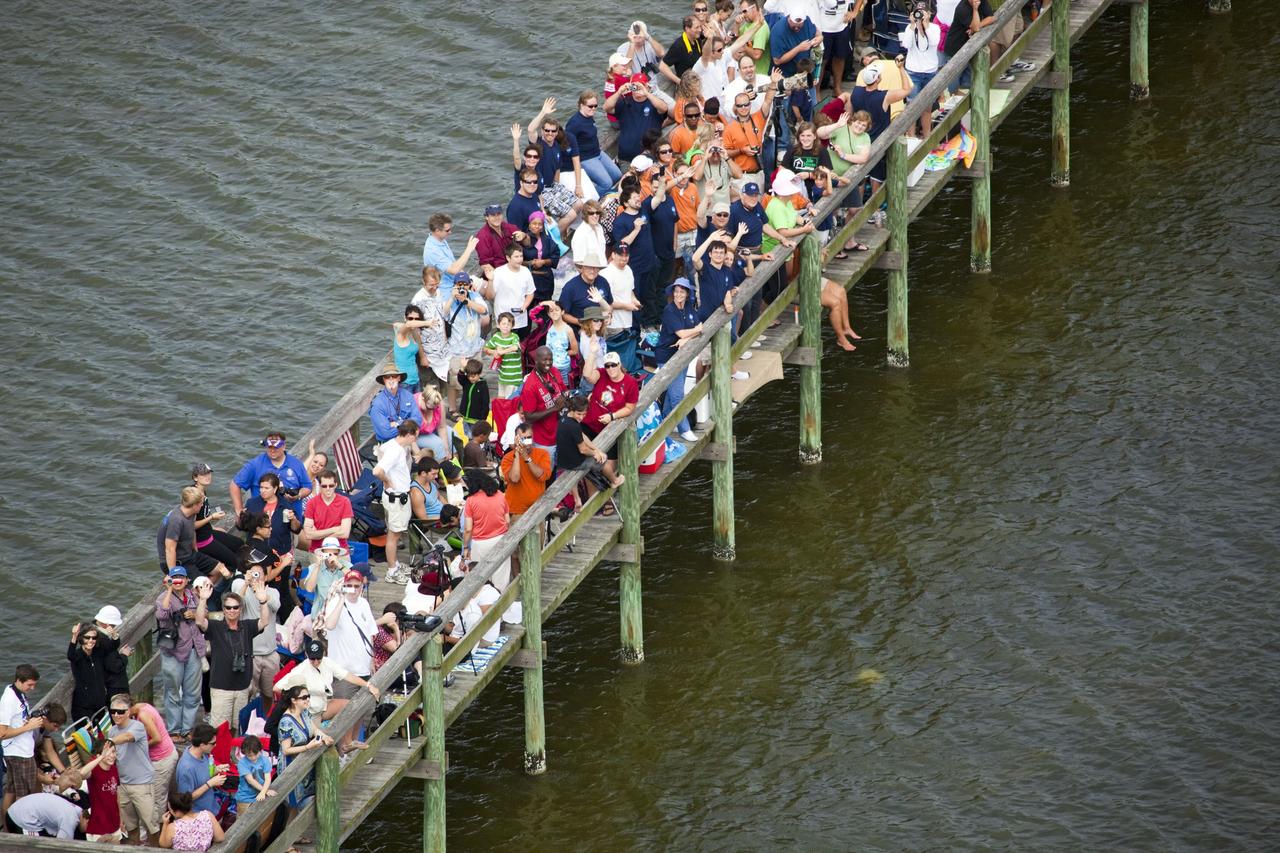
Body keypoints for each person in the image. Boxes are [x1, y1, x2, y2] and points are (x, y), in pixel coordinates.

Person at [275, 637, 379, 753]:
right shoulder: (302, 669)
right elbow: (277, 688)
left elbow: (347, 675)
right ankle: (340, 749)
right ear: (306, 655)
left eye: (318, 659)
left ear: (323, 654)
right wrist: (299, 698)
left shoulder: (327, 662)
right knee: (323, 744)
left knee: (351, 705)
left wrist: (368, 685)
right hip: (310, 713)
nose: (315, 662)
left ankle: (349, 743)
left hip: (324, 706)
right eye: (312, 659)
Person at [196, 579, 270, 735]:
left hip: (242, 687)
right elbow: (199, 621)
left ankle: (234, 755)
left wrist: (263, 601)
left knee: (238, 726)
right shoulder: (215, 627)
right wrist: (203, 600)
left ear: (240, 609)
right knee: (220, 728)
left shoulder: (247, 626)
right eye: (228, 607)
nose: (232, 610)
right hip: (221, 688)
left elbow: (264, 622)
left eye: (235, 607)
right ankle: (218, 758)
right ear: (223, 609)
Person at [849, 63, 912, 203]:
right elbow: (907, 90)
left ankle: (857, 210)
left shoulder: (856, 92)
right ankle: (875, 211)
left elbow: (849, 112)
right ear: (878, 79)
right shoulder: (884, 96)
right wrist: (901, 69)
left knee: (860, 178)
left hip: (859, 140)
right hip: (878, 142)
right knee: (876, 179)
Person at [154, 568, 205, 739]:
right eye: (174, 578)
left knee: (193, 693)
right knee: (173, 691)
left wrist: (194, 613)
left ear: (187, 580)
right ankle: (174, 729)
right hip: (172, 651)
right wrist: (168, 589)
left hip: (194, 649)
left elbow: (203, 615)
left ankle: (187, 729)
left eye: (180, 578)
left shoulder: (192, 595)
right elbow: (161, 615)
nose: (178, 581)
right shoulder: (163, 598)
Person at [556, 395, 626, 513]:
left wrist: (596, 449)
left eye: (584, 414)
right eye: (579, 414)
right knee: (603, 461)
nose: (581, 417)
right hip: (575, 462)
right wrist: (596, 454)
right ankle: (614, 481)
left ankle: (577, 500)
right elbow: (583, 449)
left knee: (573, 471)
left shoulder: (564, 418)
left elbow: (582, 436)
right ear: (572, 410)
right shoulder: (574, 426)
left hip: (563, 461)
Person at [268, 685, 333, 812]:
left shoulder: (304, 712)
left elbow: (313, 729)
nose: (307, 700)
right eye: (304, 697)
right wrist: (308, 746)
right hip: (292, 767)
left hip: (304, 762)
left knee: (306, 801)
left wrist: (324, 736)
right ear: (294, 700)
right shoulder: (286, 722)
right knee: (295, 805)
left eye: (308, 697)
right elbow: (286, 750)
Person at [656, 279, 704, 443]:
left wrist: (687, 338)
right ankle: (684, 429)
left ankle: (661, 425)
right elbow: (685, 332)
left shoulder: (689, 308)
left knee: (671, 395)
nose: (678, 294)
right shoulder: (669, 310)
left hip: (682, 356)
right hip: (668, 357)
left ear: (687, 293)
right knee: (677, 395)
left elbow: (698, 327)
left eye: (682, 291)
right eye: (676, 291)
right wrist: (692, 333)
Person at [105, 694, 156, 845]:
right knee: (131, 826)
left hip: (142, 783)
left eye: (120, 711)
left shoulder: (137, 727)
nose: (116, 715)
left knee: (151, 825)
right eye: (113, 711)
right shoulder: (112, 731)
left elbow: (127, 737)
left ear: (128, 712)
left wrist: (109, 742)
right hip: (123, 785)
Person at [373, 420, 419, 581]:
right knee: (393, 535)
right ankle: (392, 570)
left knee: (396, 532)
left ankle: (396, 564)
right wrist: (387, 480)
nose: (415, 440)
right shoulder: (396, 451)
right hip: (396, 498)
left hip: (398, 496)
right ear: (408, 435)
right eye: (415, 436)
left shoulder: (391, 445)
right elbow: (377, 471)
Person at [229, 564, 281, 703]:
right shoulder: (244, 590)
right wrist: (246, 584)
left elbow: (276, 605)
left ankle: (266, 722)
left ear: (265, 576)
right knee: (245, 694)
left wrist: (263, 596)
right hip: (249, 653)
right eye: (253, 574)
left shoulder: (273, 592)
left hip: (270, 653)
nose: (256, 577)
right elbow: (234, 606)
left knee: (270, 694)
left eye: (259, 574)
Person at [230, 431, 312, 517]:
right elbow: (235, 484)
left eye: (276, 447)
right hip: (261, 520)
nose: (272, 450)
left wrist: (298, 495)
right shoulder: (255, 464)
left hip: (291, 518)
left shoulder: (296, 464)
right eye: (269, 447)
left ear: (284, 446)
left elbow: (307, 486)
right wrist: (239, 510)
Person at [157, 486, 230, 583]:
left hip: (189, 555)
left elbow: (192, 531)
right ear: (194, 505)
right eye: (201, 504)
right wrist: (174, 574)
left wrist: (196, 552)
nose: (202, 506)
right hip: (177, 562)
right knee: (204, 584)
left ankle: (201, 591)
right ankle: (201, 591)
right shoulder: (176, 520)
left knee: (219, 570)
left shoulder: (191, 514)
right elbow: (170, 549)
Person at [724, 69, 782, 188]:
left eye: (746, 104)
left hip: (758, 173)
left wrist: (773, 83)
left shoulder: (757, 118)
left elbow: (767, 101)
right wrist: (741, 150)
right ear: (736, 107)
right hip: (740, 177)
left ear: (750, 104)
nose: (744, 108)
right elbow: (725, 153)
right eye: (740, 106)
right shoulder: (729, 128)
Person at [442, 271, 490, 415]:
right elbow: (443, 312)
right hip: (457, 349)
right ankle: (452, 408)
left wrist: (466, 300)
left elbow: (483, 310)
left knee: (474, 378)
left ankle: (470, 405)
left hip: (473, 348)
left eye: (465, 284)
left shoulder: (474, 296)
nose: (462, 287)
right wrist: (453, 296)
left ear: (469, 285)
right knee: (455, 381)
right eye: (459, 284)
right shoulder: (449, 298)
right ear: (454, 285)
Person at [1, 664, 44, 816]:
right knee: (24, 793)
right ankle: (21, 827)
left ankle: (6, 825)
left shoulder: (17, 692)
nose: (32, 688)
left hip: (20, 750)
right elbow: (2, 733)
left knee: (12, 789)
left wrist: (28, 722)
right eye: (30, 685)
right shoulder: (9, 700)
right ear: (19, 680)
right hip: (19, 753)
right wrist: (28, 727)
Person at [527, 101, 590, 203]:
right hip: (540, 190)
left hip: (553, 186)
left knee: (579, 204)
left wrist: (558, 188)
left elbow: (557, 169)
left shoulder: (557, 146)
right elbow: (530, 130)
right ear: (542, 131)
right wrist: (543, 112)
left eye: (553, 131)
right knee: (570, 214)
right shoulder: (537, 144)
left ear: (557, 132)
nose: (550, 133)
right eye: (547, 130)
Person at [129, 697, 177, 826]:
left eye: (122, 711)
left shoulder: (143, 715)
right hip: (160, 757)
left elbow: (157, 738)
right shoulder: (142, 705)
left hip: (162, 758)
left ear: (130, 707)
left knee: (157, 798)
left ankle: (158, 828)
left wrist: (139, 746)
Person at [565, 90, 624, 197]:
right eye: (590, 106)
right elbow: (567, 145)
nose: (593, 109)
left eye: (595, 106)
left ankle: (608, 195)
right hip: (586, 158)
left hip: (598, 153)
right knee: (606, 183)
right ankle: (590, 199)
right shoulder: (574, 123)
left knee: (617, 176)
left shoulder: (589, 116)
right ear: (581, 105)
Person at [462, 470, 513, 590]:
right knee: (501, 577)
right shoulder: (500, 494)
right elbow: (507, 521)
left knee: (481, 579)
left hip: (480, 543)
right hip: (501, 539)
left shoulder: (471, 500)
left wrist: (465, 548)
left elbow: (468, 529)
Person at [519, 346, 569, 464]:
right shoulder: (530, 386)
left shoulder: (554, 372)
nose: (548, 363)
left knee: (561, 468)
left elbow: (564, 390)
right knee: (547, 474)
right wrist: (554, 408)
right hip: (544, 440)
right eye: (544, 360)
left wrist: (566, 396)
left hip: (560, 431)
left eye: (550, 359)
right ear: (536, 361)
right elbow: (528, 417)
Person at [605, 75, 669, 162]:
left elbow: (664, 108)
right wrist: (619, 92)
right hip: (626, 156)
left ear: (647, 86)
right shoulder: (624, 102)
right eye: (634, 86)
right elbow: (606, 107)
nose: (638, 89)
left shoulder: (654, 102)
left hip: (650, 156)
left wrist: (646, 93)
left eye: (641, 85)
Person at [190, 462, 241, 572]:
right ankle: (227, 581)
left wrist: (211, 527)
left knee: (239, 544)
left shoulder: (202, 490)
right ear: (195, 477)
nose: (207, 476)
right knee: (234, 562)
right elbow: (191, 525)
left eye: (209, 473)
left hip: (208, 533)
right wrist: (211, 517)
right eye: (203, 474)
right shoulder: (194, 496)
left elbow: (200, 517)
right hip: (202, 541)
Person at [582, 351, 640, 446]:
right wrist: (592, 352)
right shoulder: (602, 373)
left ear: (619, 364)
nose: (610, 369)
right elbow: (587, 375)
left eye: (613, 365)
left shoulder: (630, 383)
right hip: (589, 423)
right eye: (607, 366)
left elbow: (630, 408)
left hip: (609, 430)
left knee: (608, 460)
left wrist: (612, 416)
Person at [410, 265, 454, 390]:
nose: (434, 288)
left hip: (442, 350)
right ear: (423, 282)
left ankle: (443, 409)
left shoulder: (438, 293)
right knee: (431, 390)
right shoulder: (417, 301)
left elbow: (442, 315)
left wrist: (445, 338)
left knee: (445, 385)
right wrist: (422, 356)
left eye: (437, 284)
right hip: (427, 353)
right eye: (431, 285)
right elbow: (414, 330)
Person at [500, 422, 552, 521]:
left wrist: (526, 457)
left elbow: (542, 476)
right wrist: (517, 452)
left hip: (537, 509)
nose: (527, 441)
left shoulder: (543, 454)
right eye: (523, 438)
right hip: (516, 510)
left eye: (529, 437)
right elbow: (515, 478)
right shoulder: (508, 457)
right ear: (517, 439)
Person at [245, 471, 300, 564]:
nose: (263, 490)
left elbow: (296, 529)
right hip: (256, 549)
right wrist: (241, 517)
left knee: (280, 577)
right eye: (261, 487)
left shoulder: (286, 505)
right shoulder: (252, 503)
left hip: (280, 551)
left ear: (275, 489)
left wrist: (293, 519)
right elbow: (242, 526)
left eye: (266, 488)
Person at [174, 724, 223, 817]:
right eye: (213, 743)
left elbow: (202, 775)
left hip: (210, 808)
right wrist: (210, 784)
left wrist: (216, 770)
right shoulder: (186, 768)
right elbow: (185, 798)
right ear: (202, 745)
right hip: (198, 816)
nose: (216, 745)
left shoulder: (202, 754)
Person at [944, 0, 996, 88]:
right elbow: (975, 28)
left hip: (968, 48)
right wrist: (975, 10)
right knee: (954, 77)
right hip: (955, 47)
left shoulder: (981, 1)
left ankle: (967, 95)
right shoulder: (962, 8)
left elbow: (991, 18)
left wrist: (979, 25)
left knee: (968, 79)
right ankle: (953, 96)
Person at [487, 243, 536, 337]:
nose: (520, 259)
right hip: (503, 319)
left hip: (520, 317)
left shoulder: (525, 271)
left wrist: (524, 306)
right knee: (503, 346)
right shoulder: (499, 272)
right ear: (508, 258)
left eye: (521, 256)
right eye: (516, 257)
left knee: (520, 346)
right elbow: (490, 296)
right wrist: (490, 280)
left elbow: (530, 293)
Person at [369, 361, 425, 443]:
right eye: (387, 377)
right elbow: (385, 433)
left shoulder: (408, 395)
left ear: (399, 378)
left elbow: (418, 420)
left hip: (410, 439)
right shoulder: (377, 404)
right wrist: (408, 423)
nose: (391, 379)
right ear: (384, 380)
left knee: (437, 445)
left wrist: (397, 423)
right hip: (389, 443)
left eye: (394, 376)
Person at [302, 468, 353, 557]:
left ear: (336, 485)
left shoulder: (345, 501)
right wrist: (335, 529)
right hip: (317, 552)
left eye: (331, 485)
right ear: (320, 486)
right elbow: (308, 534)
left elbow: (345, 533)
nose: (328, 489)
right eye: (324, 486)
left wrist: (317, 534)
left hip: (340, 551)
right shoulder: (312, 503)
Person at [421, 212, 479, 290]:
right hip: (445, 288)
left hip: (455, 281)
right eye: (447, 230)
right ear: (437, 231)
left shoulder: (441, 240)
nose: (450, 232)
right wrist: (469, 249)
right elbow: (454, 270)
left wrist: (468, 281)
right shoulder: (432, 251)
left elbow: (455, 265)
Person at [66, 622, 108, 723]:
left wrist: (112, 634)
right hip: (83, 706)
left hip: (100, 703)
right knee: (85, 736)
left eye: (93, 638)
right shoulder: (78, 656)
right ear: (81, 638)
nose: (90, 640)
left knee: (100, 734)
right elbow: (70, 655)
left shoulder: (97, 653)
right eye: (87, 637)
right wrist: (74, 636)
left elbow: (112, 645)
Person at [557, 252, 614, 327]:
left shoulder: (603, 282)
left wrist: (609, 315)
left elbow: (610, 303)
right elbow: (562, 314)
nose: (592, 271)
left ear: (599, 269)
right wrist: (581, 323)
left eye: (595, 268)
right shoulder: (570, 287)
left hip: (600, 331)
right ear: (582, 268)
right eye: (589, 267)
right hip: (578, 332)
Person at [5, 788, 85, 839]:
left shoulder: (77, 809)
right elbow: (61, 846)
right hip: (21, 819)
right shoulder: (71, 819)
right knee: (42, 847)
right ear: (87, 819)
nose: (88, 832)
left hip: (17, 811)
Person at [817, 0, 858, 98]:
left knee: (840, 57)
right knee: (821, 60)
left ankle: (837, 88)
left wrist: (855, 11)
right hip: (822, 27)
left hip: (841, 26)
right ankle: (816, 91)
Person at [158, 789, 224, 851]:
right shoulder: (208, 815)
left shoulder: (173, 827)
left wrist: (165, 823)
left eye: (171, 810)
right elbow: (220, 838)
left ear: (177, 812)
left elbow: (164, 845)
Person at [84, 741, 122, 843]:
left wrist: (121, 820)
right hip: (98, 826)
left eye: (113, 752)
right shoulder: (94, 771)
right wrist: (101, 757)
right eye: (107, 753)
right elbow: (81, 773)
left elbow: (117, 797)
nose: (112, 756)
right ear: (98, 755)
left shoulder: (114, 769)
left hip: (115, 823)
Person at [521, 213, 560, 304]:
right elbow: (517, 260)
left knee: (546, 304)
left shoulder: (547, 240)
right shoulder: (523, 240)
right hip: (530, 277)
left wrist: (544, 262)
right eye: (534, 223)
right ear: (529, 224)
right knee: (531, 305)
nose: (537, 226)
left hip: (546, 278)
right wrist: (530, 263)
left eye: (540, 224)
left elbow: (555, 256)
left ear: (542, 226)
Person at [393, 303, 432, 394]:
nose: (413, 321)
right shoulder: (400, 334)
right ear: (405, 318)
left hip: (415, 379)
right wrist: (427, 323)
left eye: (416, 319)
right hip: (404, 382)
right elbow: (407, 325)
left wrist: (423, 357)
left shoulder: (414, 332)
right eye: (410, 318)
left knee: (417, 406)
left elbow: (418, 342)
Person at [484, 312, 523, 399]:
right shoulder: (496, 336)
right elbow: (486, 348)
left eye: (508, 324)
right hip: (502, 377)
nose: (506, 326)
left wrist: (501, 352)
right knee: (501, 399)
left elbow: (515, 347)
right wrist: (494, 352)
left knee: (510, 401)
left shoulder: (514, 337)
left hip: (513, 378)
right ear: (498, 325)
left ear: (512, 326)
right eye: (503, 324)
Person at [660, 15, 707, 83]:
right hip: (687, 85)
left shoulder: (697, 39)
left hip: (698, 80)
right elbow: (662, 66)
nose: (700, 30)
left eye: (700, 26)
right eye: (697, 27)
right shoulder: (679, 46)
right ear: (687, 29)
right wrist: (679, 82)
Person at [233, 734, 275, 808]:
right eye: (250, 756)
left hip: (261, 793)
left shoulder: (265, 760)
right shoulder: (242, 763)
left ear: (260, 750)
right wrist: (265, 791)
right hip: (245, 798)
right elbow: (250, 780)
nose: (253, 758)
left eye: (255, 754)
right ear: (244, 753)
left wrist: (263, 792)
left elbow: (268, 779)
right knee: (244, 818)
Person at [542, 302, 578, 386]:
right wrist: (545, 303)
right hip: (550, 366)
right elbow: (533, 313)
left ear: (562, 312)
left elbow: (575, 350)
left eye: (557, 310)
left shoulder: (568, 329)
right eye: (551, 311)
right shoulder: (549, 329)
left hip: (563, 367)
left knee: (564, 389)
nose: (554, 312)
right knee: (552, 389)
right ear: (548, 314)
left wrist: (563, 353)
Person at [692, 36, 735, 102]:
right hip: (710, 107)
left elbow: (740, 42)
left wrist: (756, 26)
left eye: (722, 48)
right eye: (720, 50)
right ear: (711, 52)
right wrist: (710, 38)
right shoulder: (701, 65)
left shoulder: (721, 57)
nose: (722, 52)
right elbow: (705, 54)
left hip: (725, 102)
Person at [457, 358, 491, 436]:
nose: (471, 378)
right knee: (468, 434)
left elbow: (485, 403)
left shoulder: (483, 386)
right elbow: (460, 378)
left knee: (476, 436)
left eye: (473, 376)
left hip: (477, 419)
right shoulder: (466, 382)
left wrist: (483, 419)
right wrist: (462, 368)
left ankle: (475, 447)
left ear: (479, 373)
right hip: (466, 417)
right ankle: (470, 446)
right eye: (469, 376)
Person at [410, 457, 445, 528]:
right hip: (436, 522)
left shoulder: (431, 482)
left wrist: (452, 509)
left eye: (437, 473)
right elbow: (424, 519)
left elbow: (440, 498)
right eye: (433, 474)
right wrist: (444, 517)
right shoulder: (416, 492)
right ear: (423, 473)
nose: (436, 476)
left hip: (444, 516)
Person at [506, 167, 543, 233]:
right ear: (521, 183)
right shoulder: (515, 207)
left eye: (535, 182)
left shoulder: (534, 195)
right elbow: (516, 235)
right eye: (528, 182)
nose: (532, 184)